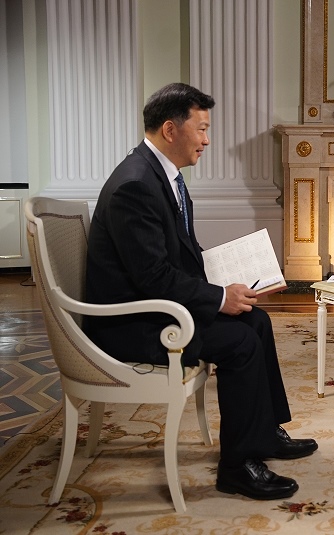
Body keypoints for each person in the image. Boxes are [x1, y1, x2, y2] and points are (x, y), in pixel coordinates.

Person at [84, 82, 317, 501]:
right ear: (170, 130)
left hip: (154, 307)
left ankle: (264, 433)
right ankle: (237, 468)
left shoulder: (161, 175)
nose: (207, 140)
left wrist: (235, 276)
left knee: (256, 320)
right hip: (131, 323)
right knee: (241, 341)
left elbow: (180, 254)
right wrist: (219, 297)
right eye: (202, 129)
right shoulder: (135, 185)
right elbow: (153, 277)